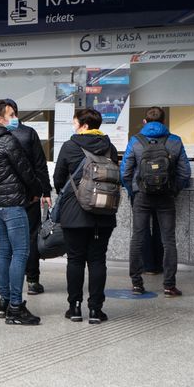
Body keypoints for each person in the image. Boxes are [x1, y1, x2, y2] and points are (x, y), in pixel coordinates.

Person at [0, 99, 43, 326]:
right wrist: (38, 191)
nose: (16, 118)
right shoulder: (7, 140)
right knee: (21, 253)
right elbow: (25, 170)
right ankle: (16, 306)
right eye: (12, 114)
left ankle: (4, 301)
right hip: (14, 202)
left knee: (4, 252)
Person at [54, 108, 121, 323]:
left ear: (82, 124)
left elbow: (58, 180)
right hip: (104, 212)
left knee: (75, 260)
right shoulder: (109, 147)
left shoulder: (70, 146)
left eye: (75, 121)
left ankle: (74, 308)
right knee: (97, 260)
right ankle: (95, 310)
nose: (73, 124)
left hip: (74, 213)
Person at [121, 106, 192, 297]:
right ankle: (169, 286)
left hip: (141, 196)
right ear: (164, 122)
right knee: (169, 241)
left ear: (145, 122)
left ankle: (137, 284)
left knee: (137, 238)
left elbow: (125, 172)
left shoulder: (136, 141)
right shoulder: (175, 141)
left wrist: (133, 191)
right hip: (166, 197)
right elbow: (185, 172)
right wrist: (173, 190)